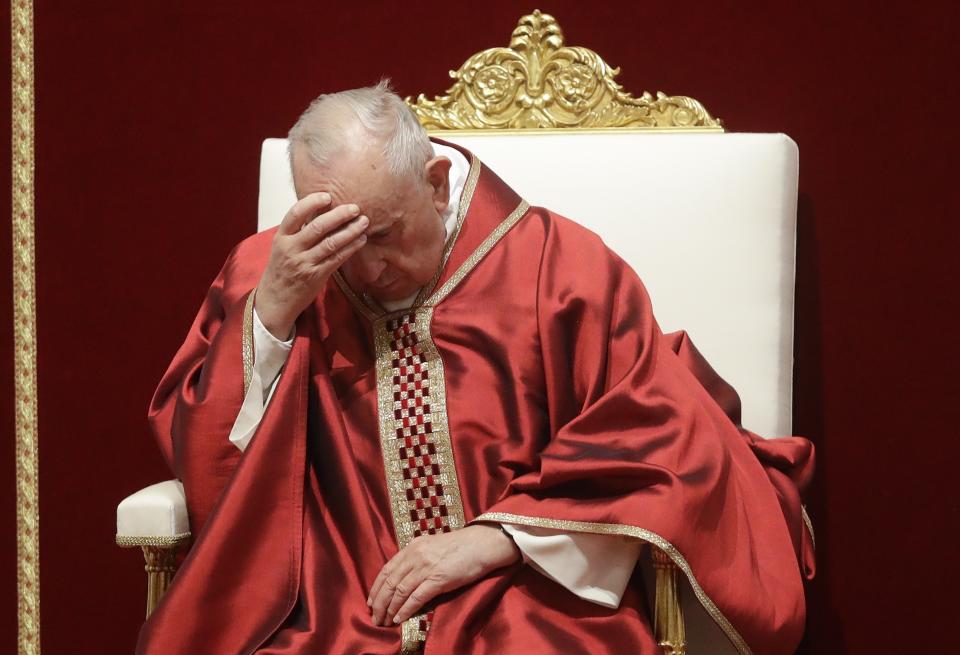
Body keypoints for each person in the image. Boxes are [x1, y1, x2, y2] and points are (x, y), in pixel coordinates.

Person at [138, 82, 815, 655]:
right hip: (335, 593)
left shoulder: (559, 269)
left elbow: (652, 434)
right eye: (338, 238)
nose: (367, 269)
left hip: (521, 592)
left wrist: (495, 538)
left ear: (434, 184)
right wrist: (270, 320)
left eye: (381, 234)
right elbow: (205, 459)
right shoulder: (278, 275)